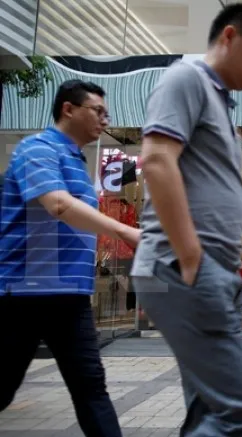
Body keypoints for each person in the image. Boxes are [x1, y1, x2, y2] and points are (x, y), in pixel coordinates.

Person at [129, 3, 242, 436]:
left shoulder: (219, 101)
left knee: (209, 409)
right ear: (229, 37)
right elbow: (156, 161)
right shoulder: (187, 77)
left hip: (205, 272)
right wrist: (191, 256)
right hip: (186, 269)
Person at [0, 79, 140, 437]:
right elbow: (58, 205)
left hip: (69, 296)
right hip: (22, 295)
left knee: (91, 388)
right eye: (98, 111)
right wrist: (125, 232)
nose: (104, 120)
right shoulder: (37, 148)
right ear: (69, 109)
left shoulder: (78, 162)